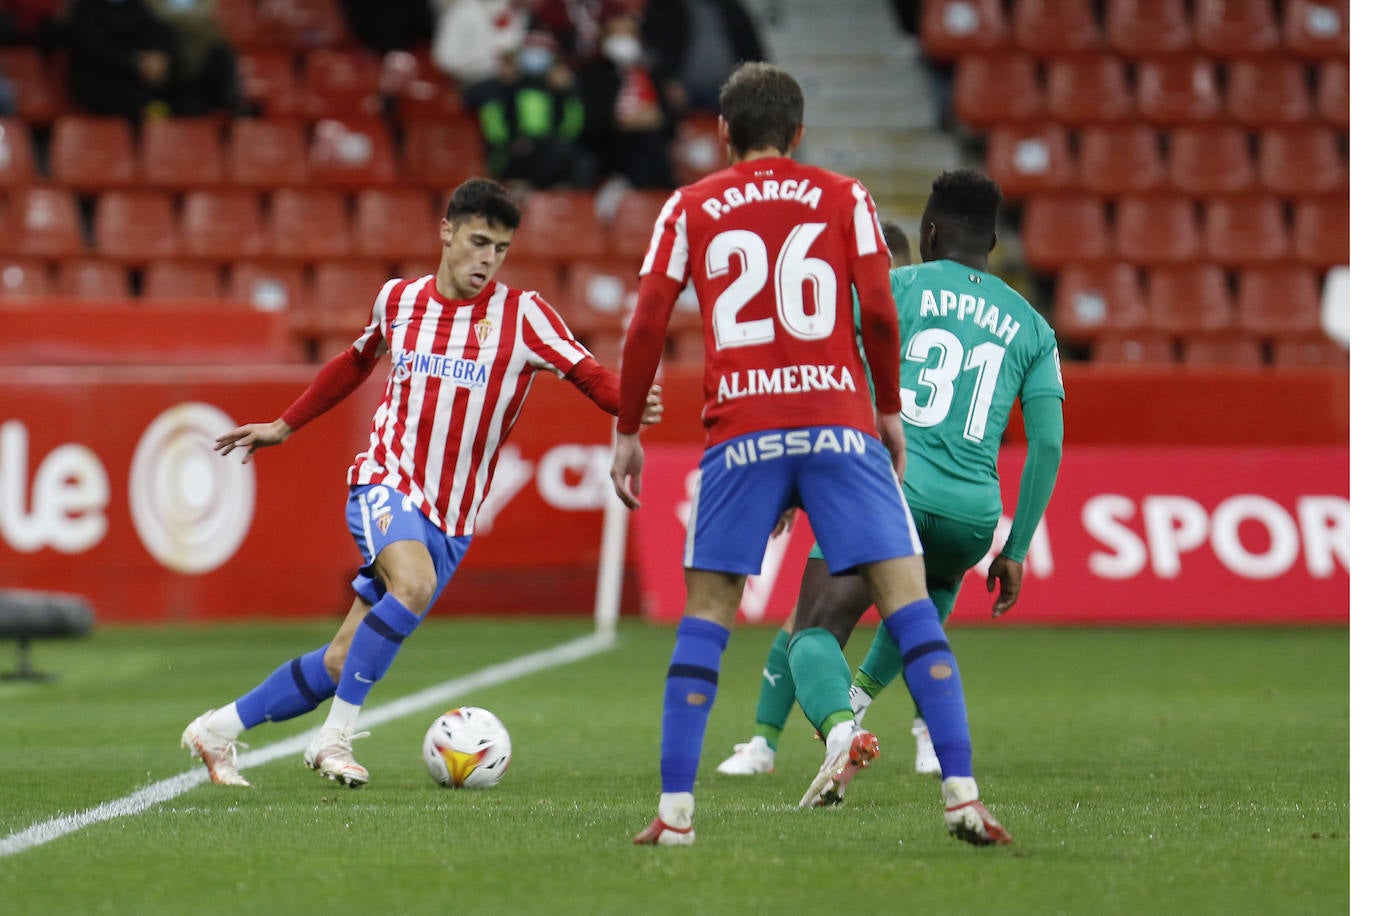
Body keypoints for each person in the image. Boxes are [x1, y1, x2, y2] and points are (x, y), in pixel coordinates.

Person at [611, 62, 1010, 847]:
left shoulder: (689, 206)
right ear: (798, 136)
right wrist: (888, 412)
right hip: (839, 427)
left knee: (709, 617)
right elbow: (879, 314)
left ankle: (677, 812)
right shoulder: (846, 197)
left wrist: (629, 428)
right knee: (909, 604)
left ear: (723, 134)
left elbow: (648, 318)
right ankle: (962, 795)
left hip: (742, 430)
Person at [181, 178, 662, 789]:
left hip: (452, 519)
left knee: (339, 660)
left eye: (501, 248)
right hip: (385, 480)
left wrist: (633, 403)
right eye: (479, 241)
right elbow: (355, 360)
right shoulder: (399, 300)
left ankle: (217, 730)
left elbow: (592, 377)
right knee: (412, 583)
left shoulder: (525, 316)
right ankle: (333, 738)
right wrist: (285, 424)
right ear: (447, 232)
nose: (487, 259)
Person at [716, 174, 1065, 780]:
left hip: (887, 494)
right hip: (973, 515)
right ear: (992, 242)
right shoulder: (1035, 327)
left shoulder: (894, 289)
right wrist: (1017, 547)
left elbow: (818, 372)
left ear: (928, 231)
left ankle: (839, 731)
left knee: (814, 628)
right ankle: (894, 723)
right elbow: (1049, 441)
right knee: (922, 609)